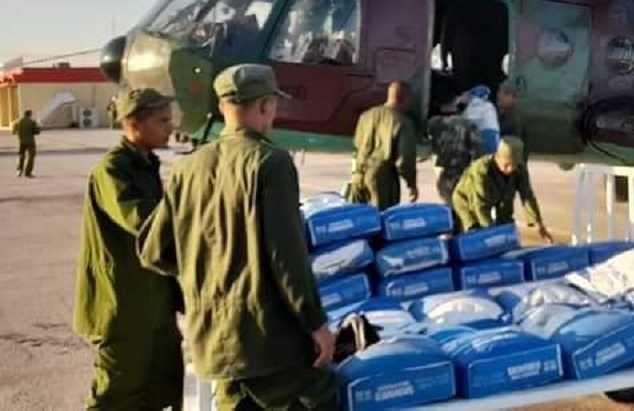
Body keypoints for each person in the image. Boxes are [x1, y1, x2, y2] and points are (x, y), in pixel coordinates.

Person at [137, 64, 339, 411]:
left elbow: (153, 250)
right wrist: (316, 324)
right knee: (320, 396)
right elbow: (286, 259)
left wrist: (207, 276)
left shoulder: (188, 167)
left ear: (222, 108)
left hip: (214, 341)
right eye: (273, 104)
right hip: (269, 344)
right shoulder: (270, 162)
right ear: (264, 106)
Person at [72, 88, 183, 411]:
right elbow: (144, 221)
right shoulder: (113, 170)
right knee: (118, 394)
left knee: (162, 389)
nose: (170, 128)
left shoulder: (145, 165)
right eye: (162, 121)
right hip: (121, 306)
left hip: (154, 303)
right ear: (134, 124)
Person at [451, 136, 553, 243]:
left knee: (506, 231)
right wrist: (491, 232)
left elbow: (527, 196)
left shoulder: (519, 169)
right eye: (506, 165)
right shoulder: (481, 170)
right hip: (467, 201)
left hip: (499, 199)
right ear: (497, 157)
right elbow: (479, 205)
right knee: (476, 232)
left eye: (514, 165)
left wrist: (538, 224)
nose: (510, 169)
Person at [349, 81, 418, 210]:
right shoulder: (403, 122)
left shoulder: (366, 116)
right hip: (382, 180)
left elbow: (357, 144)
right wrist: (411, 185)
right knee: (381, 221)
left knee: (357, 222)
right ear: (406, 98)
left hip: (358, 175)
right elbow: (405, 160)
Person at [427, 97, 483, 204]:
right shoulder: (469, 125)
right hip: (464, 172)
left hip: (444, 172)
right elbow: (477, 152)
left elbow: (428, 147)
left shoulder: (433, 123)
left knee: (448, 204)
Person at [12, 109, 40, 177]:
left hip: (21, 141)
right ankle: (28, 172)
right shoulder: (32, 122)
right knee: (31, 156)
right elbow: (37, 132)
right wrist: (38, 126)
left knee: (21, 156)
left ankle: (19, 171)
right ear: (29, 114)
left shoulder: (17, 122)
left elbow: (13, 132)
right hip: (30, 142)